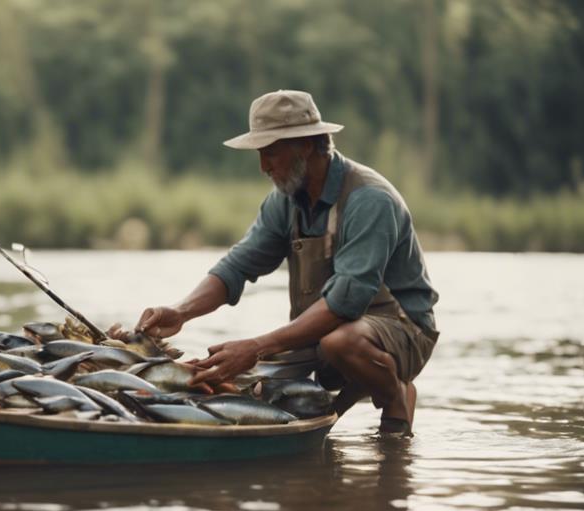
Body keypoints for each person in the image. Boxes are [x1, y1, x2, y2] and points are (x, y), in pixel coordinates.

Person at [135, 90, 439, 435]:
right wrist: (181, 312)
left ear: (306, 145)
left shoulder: (369, 200)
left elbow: (345, 303)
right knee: (226, 379)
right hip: (326, 329)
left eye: (271, 153)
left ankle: (395, 391)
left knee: (340, 344)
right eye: (261, 154)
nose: (264, 166)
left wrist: (257, 347)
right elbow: (237, 267)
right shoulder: (284, 200)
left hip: (401, 328)